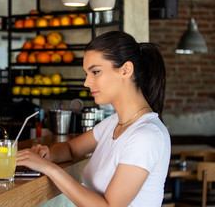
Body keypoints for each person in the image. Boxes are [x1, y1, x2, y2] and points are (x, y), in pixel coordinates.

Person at [16, 31, 171, 207]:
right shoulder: (114, 123)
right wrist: (47, 155)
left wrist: (48, 168)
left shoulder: (146, 135)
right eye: (87, 74)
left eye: (95, 72)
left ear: (126, 70)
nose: (87, 82)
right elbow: (71, 149)